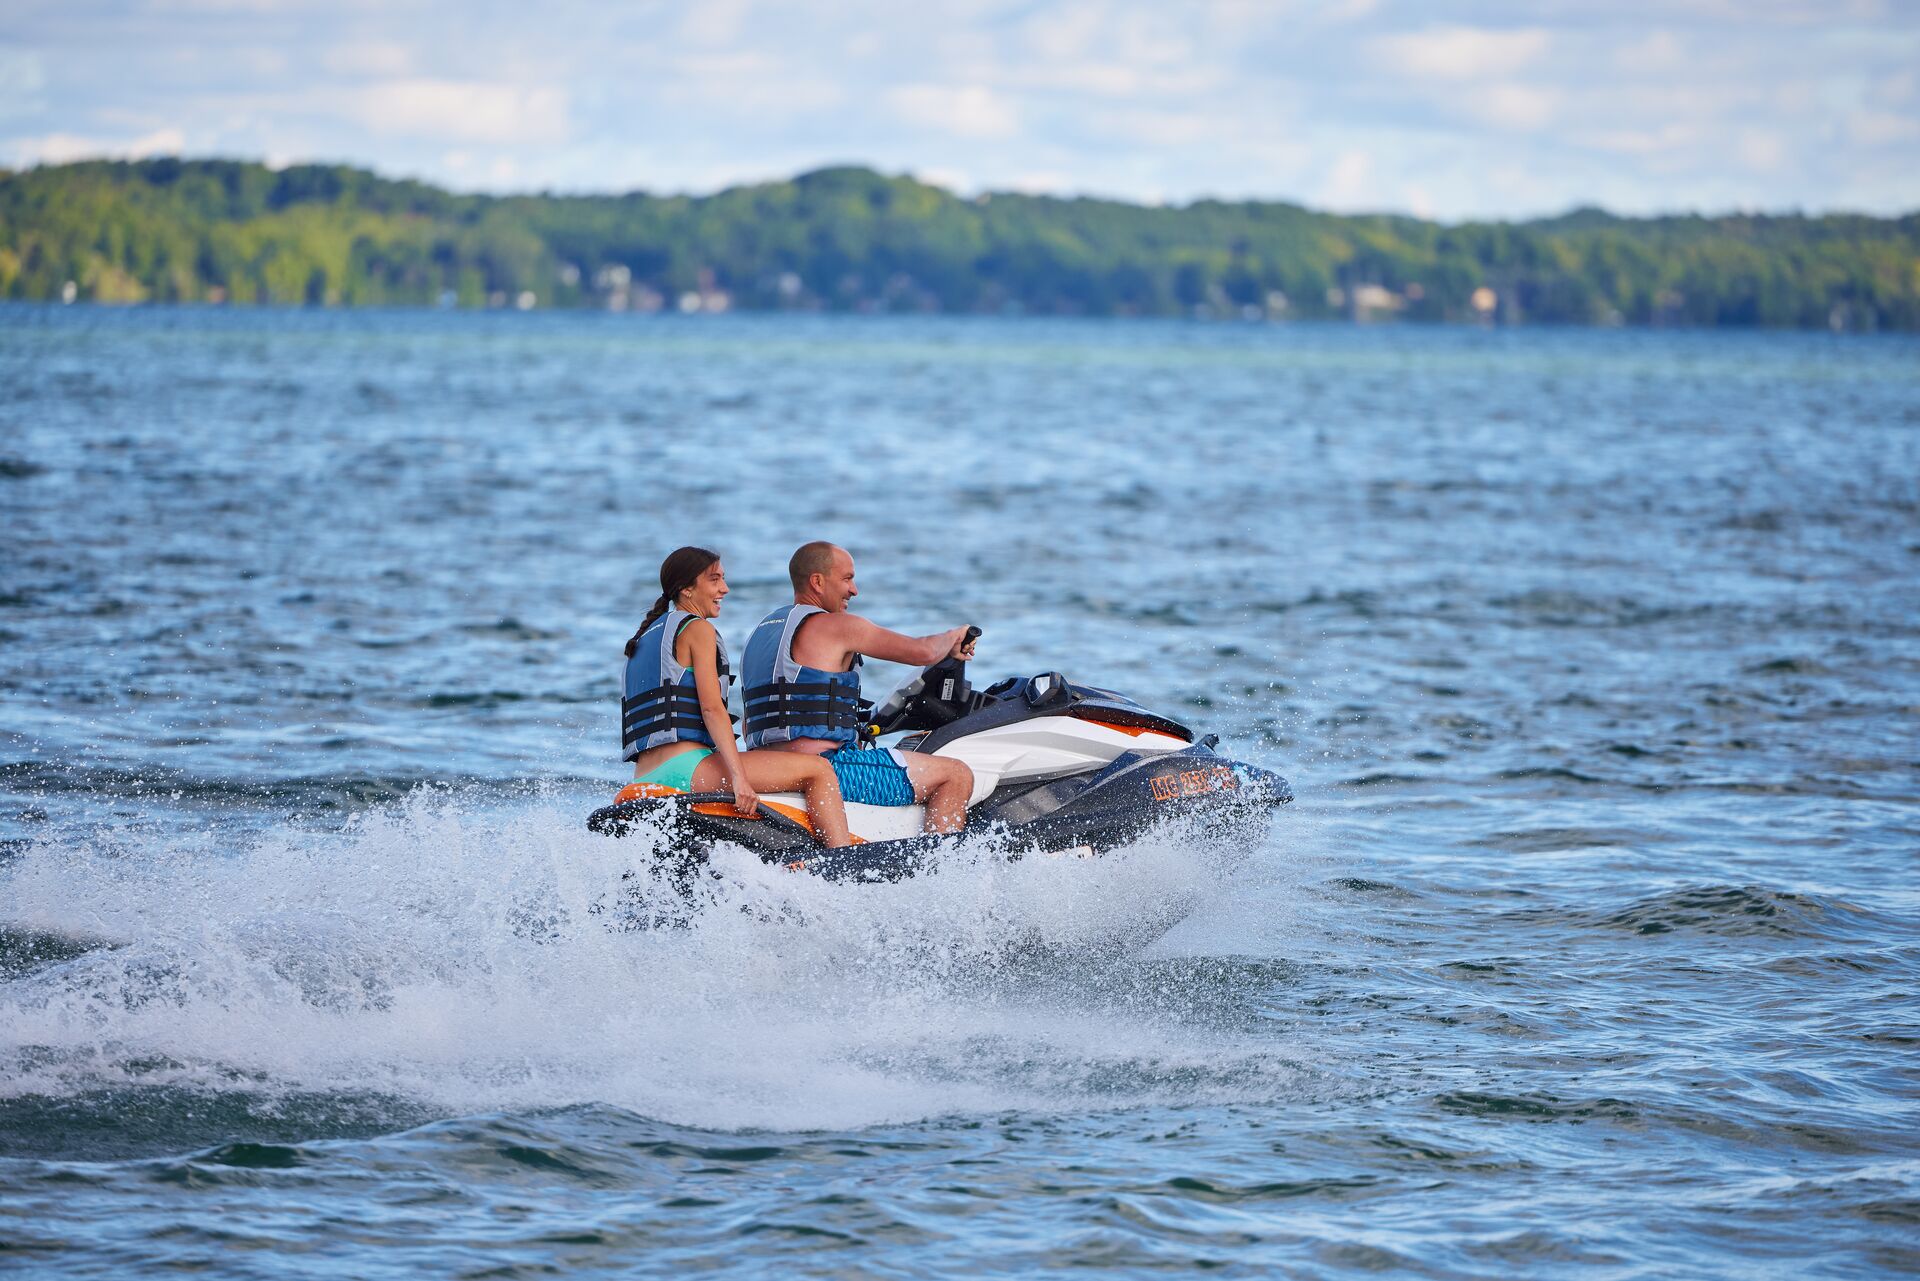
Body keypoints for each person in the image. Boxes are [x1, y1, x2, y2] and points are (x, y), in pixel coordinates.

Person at [622, 546, 854, 848]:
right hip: (687, 770)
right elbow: (711, 709)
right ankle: (842, 860)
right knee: (818, 771)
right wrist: (739, 779)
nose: (724, 588)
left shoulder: (644, 638)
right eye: (714, 579)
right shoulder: (697, 629)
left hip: (645, 776)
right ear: (687, 589)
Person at [742, 541, 976, 834]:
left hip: (770, 767)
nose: (854, 590)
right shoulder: (838, 626)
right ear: (817, 581)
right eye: (847, 579)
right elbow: (923, 653)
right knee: (956, 774)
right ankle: (943, 871)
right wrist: (955, 636)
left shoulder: (760, 635)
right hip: (830, 768)